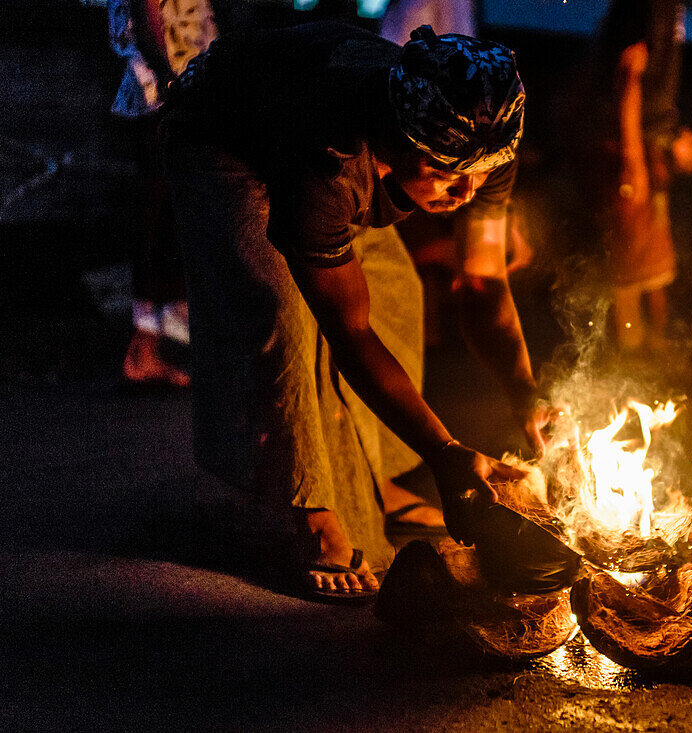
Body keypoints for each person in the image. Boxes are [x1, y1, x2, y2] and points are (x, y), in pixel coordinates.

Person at [161, 22, 547, 599]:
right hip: (225, 138)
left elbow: (482, 283)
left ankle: (377, 474)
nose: (464, 192)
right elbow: (349, 332)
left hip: (313, 132)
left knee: (396, 291)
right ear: (397, 144)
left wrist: (524, 391)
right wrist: (445, 453)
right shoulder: (329, 162)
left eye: (477, 174)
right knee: (282, 317)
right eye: (442, 173)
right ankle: (310, 511)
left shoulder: (482, 138)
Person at [107, 0, 219, 388]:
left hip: (176, 86)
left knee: (171, 214)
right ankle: (143, 350)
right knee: (161, 214)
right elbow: (146, 8)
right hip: (163, 91)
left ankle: (154, 345)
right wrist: (169, 78)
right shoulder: (166, 80)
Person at [592, 0, 692, 353]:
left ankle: (654, 344)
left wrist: (673, 134)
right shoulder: (647, 8)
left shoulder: (669, 8)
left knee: (654, 257)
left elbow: (654, 92)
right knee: (629, 263)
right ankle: (629, 348)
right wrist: (632, 159)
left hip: (648, 145)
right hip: (628, 146)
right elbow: (630, 75)